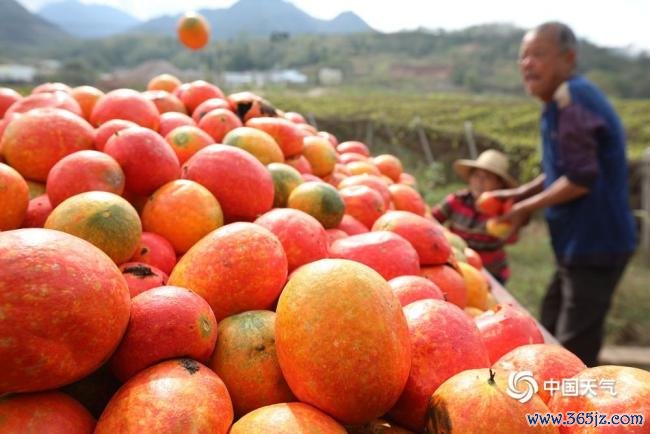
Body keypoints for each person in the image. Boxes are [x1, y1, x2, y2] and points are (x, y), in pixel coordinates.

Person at [494, 22, 636, 367]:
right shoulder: (559, 103)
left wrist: (524, 207)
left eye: (538, 55)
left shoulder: (572, 98)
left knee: (573, 346)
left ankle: (578, 415)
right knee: (550, 325)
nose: (528, 64)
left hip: (596, 243)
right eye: (523, 57)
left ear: (568, 58)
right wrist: (520, 192)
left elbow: (580, 178)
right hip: (578, 244)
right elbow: (561, 169)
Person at [432, 149, 518, 284]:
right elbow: (432, 219)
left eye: (487, 177)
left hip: (491, 273)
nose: (480, 181)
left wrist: (501, 212)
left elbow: (512, 238)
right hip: (457, 264)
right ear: (470, 178)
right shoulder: (457, 200)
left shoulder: (503, 210)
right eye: (476, 176)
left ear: (499, 184)